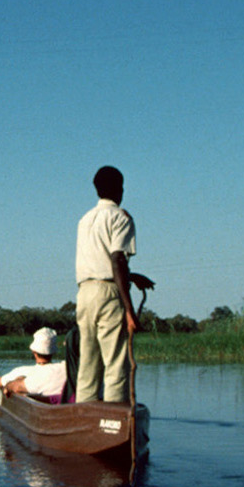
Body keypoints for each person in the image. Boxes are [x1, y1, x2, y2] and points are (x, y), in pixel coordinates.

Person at [73, 166, 151, 404]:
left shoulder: (85, 219)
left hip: (85, 293)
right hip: (108, 292)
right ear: (120, 189)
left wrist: (132, 276)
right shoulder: (120, 217)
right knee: (116, 363)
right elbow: (116, 259)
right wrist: (129, 309)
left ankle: (84, 419)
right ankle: (113, 421)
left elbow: (102, 260)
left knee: (88, 362)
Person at [0, 327, 68, 403]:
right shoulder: (65, 369)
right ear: (54, 352)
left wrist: (13, 382)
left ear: (33, 351)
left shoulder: (22, 371)